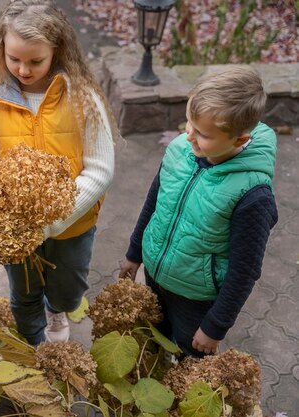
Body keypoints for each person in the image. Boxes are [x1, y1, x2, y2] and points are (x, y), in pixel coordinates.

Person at [0, 0, 117, 345]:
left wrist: (51, 218)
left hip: (73, 224)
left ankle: (58, 309)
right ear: (1, 50)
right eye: (13, 59)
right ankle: (32, 343)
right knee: (23, 293)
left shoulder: (83, 98)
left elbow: (100, 168)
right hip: (16, 231)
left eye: (35, 61)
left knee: (69, 289)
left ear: (57, 51)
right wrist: (2, 220)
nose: (23, 69)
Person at [119, 67, 278, 358]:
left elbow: (245, 270)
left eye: (203, 134)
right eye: (188, 123)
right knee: (151, 341)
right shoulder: (180, 150)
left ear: (239, 140)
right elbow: (154, 202)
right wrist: (134, 252)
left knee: (191, 361)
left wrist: (215, 326)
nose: (189, 136)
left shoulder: (252, 194)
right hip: (155, 275)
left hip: (196, 297)